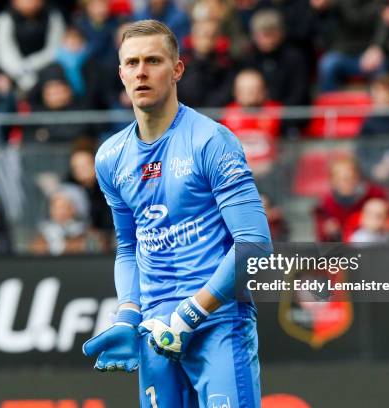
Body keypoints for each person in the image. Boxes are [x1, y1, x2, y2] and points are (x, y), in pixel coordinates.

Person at [81, 20, 271, 407]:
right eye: (132, 63)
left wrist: (191, 312)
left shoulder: (212, 141)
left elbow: (254, 245)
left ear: (177, 69)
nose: (141, 71)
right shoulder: (110, 157)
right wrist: (127, 314)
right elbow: (128, 246)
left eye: (153, 60)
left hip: (218, 323)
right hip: (155, 332)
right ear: (120, 73)